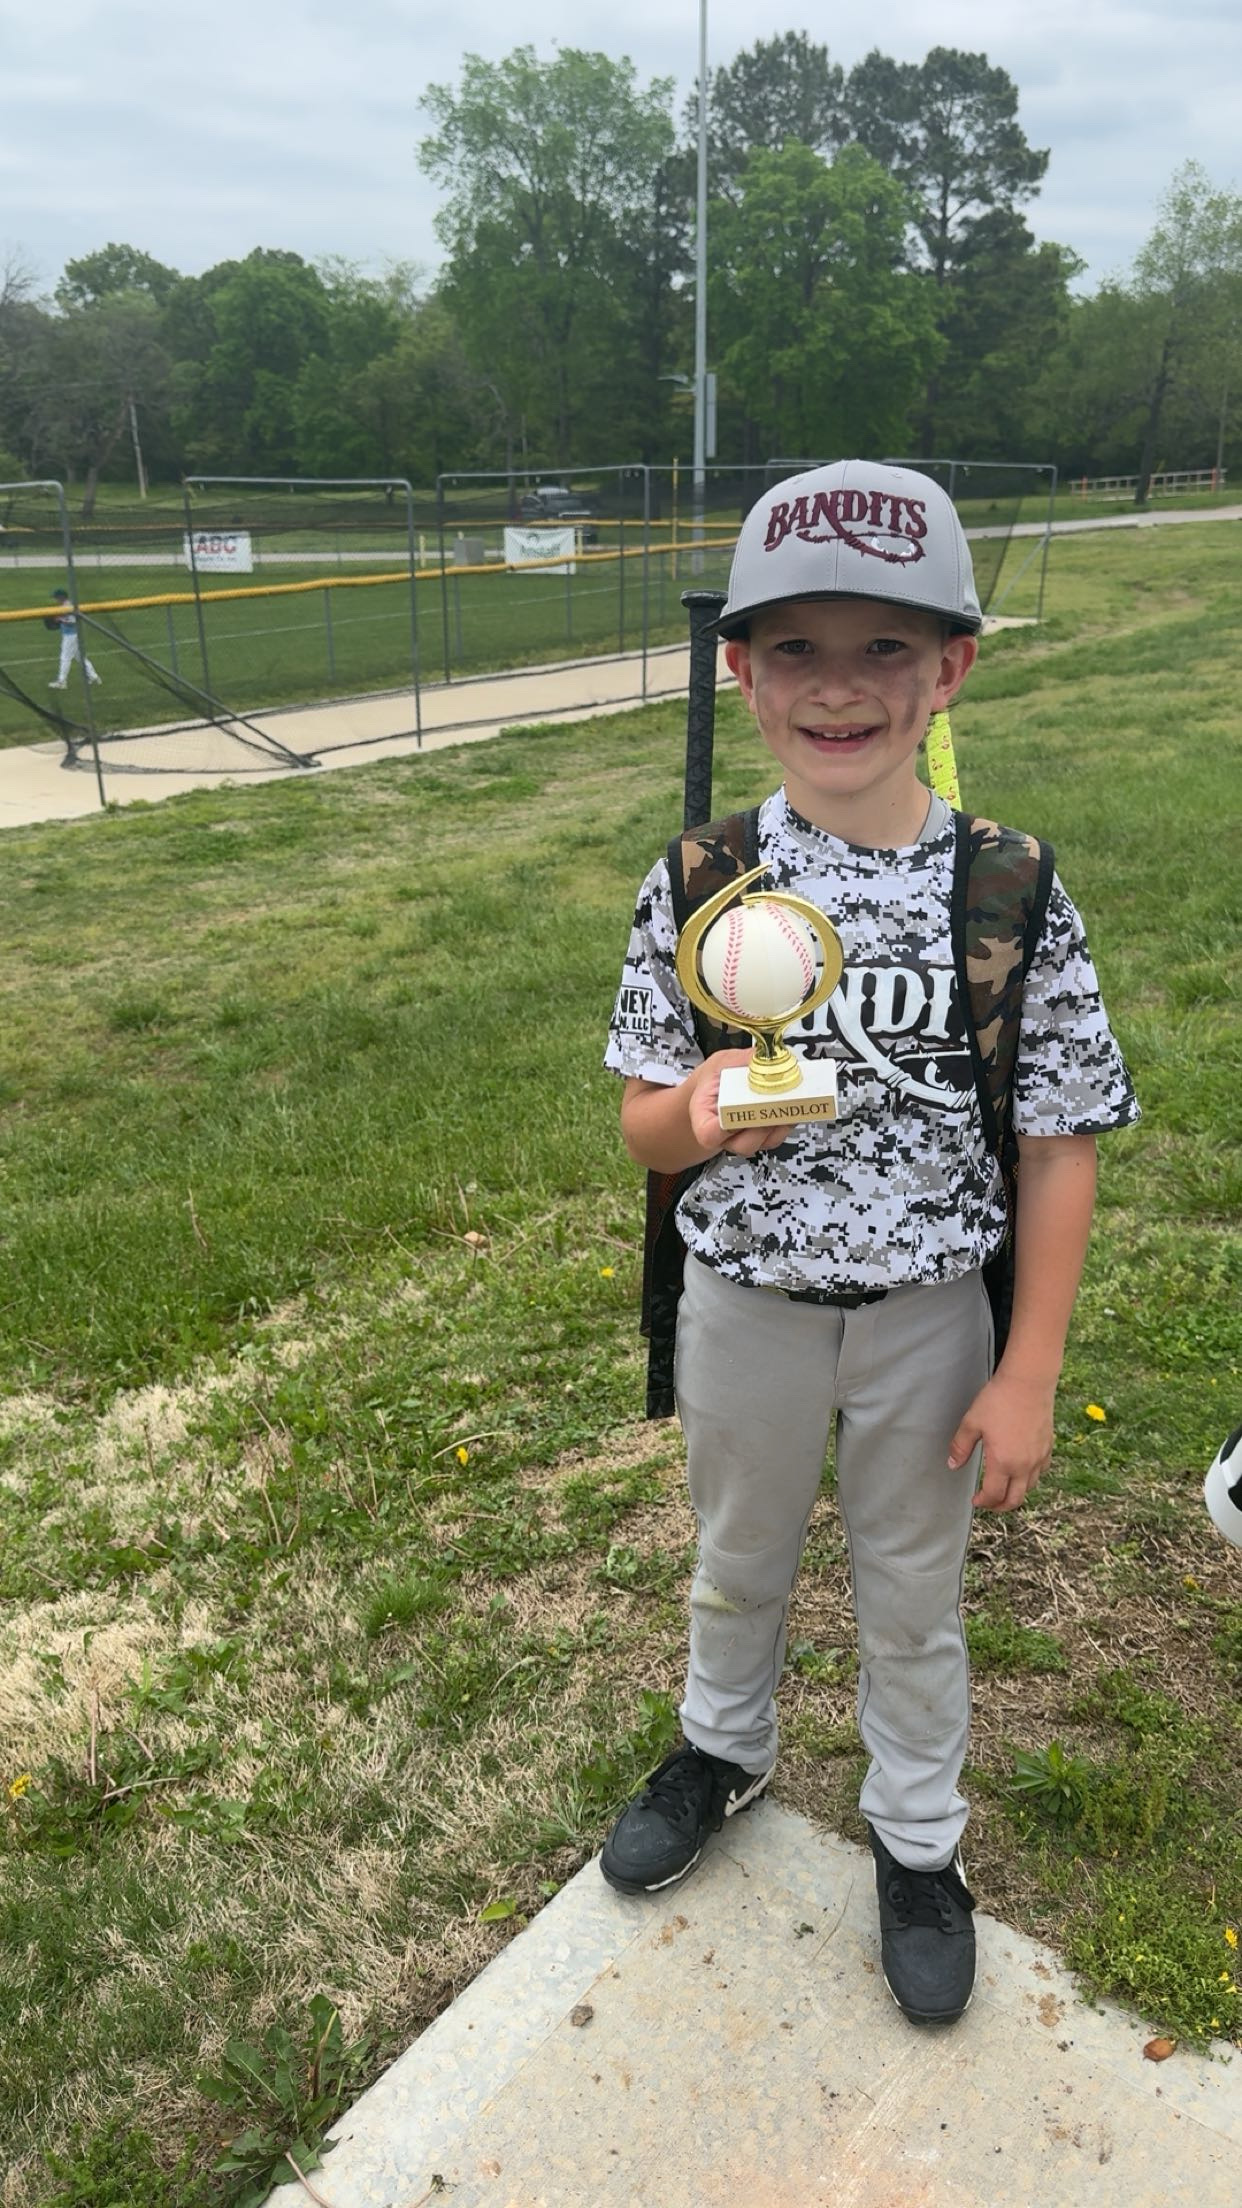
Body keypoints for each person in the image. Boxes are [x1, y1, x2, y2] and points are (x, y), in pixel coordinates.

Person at [601, 459, 1139, 2026]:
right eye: (796, 651)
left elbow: (1056, 1145)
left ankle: (916, 1843)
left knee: (913, 1587)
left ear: (950, 666)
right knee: (735, 1556)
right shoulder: (703, 877)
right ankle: (723, 1746)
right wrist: (693, 1111)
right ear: (741, 672)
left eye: (883, 650)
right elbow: (639, 1121)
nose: (838, 690)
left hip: (925, 1313)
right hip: (745, 1303)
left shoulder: (1006, 884)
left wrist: (1028, 1366)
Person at [48, 590, 101, 689]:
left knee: (65, 657)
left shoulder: (68, 606)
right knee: (80, 657)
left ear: (61, 597)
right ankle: (94, 677)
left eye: (56, 597)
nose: (55, 600)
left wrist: (60, 620)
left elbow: (72, 620)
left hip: (71, 635)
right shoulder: (66, 605)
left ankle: (62, 682)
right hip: (73, 634)